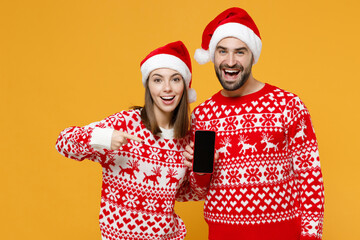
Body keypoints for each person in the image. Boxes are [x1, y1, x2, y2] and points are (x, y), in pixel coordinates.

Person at [183, 7, 325, 240]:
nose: (230, 61)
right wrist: (199, 170)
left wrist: (311, 236)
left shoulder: (287, 105)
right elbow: (198, 191)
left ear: (252, 55)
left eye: (240, 52)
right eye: (222, 51)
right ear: (213, 55)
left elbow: (310, 179)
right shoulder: (203, 115)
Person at [55, 41, 206, 240]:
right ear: (148, 85)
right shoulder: (125, 124)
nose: (167, 88)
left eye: (175, 80)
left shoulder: (186, 139)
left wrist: (200, 170)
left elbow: (187, 193)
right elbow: (63, 142)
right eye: (158, 80)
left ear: (185, 87)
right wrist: (104, 138)